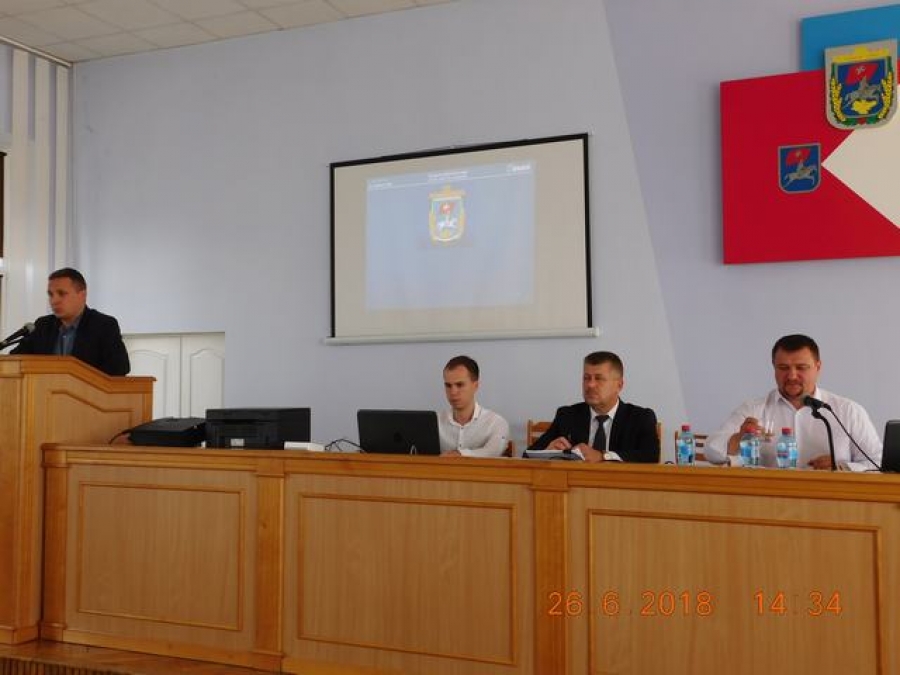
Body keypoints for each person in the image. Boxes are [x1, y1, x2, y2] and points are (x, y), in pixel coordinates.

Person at [705, 334, 881, 469]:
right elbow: (711, 451)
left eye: (801, 368)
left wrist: (843, 467)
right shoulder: (753, 409)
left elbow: (878, 462)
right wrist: (739, 438)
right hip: (771, 501)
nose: (792, 376)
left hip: (832, 501)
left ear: (818, 367)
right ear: (774, 367)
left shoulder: (847, 411)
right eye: (783, 368)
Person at [529, 351, 660, 463]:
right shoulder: (567, 415)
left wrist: (603, 456)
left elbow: (651, 456)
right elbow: (527, 454)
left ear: (619, 385)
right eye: (586, 378)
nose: (590, 385)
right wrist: (547, 452)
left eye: (599, 378)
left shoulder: (640, 418)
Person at [12, 267, 131, 376]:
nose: (54, 301)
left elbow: (120, 368)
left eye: (61, 293)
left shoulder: (103, 325)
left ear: (82, 295)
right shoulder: (43, 326)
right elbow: (14, 361)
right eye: (51, 294)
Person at [438, 355, 510, 457]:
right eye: (448, 385)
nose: (453, 392)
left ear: (475, 386)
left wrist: (460, 454)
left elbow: (493, 452)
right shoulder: (435, 422)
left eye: (460, 385)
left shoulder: (496, 423)